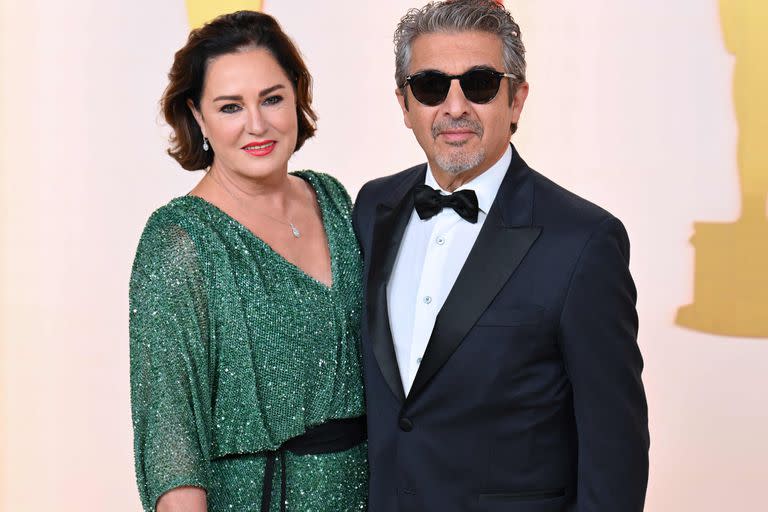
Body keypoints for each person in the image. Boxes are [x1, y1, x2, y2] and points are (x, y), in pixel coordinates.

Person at [352, 1, 650, 510]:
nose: (454, 107)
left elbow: (615, 452)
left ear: (516, 100)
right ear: (404, 105)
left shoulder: (583, 241)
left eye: (481, 83)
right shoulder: (372, 207)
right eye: (429, 86)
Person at [129, 11, 367, 512]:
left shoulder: (334, 200)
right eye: (231, 106)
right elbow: (170, 439)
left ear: (297, 98)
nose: (257, 125)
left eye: (272, 99)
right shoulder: (179, 240)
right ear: (198, 116)